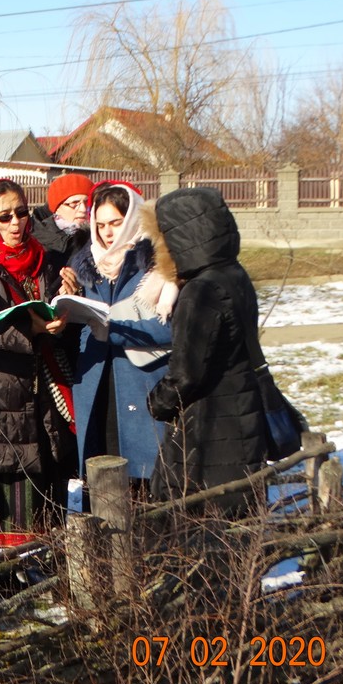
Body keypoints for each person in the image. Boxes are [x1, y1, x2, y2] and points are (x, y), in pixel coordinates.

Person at [0, 179, 78, 550]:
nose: (15, 223)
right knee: (4, 481)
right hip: (0, 392)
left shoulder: (42, 256)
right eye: (4, 216)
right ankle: (1, 577)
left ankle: (42, 564)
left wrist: (67, 301)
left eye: (22, 213)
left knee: (44, 477)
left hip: (43, 388)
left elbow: (55, 302)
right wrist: (31, 326)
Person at [146, 187, 268, 515]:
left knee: (202, 528)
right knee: (239, 521)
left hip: (210, 429)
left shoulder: (200, 292)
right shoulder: (233, 274)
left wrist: (156, 402)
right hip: (241, 412)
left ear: (182, 237)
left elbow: (186, 375)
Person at [68, 183, 177, 498]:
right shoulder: (87, 263)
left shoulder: (157, 262)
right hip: (96, 380)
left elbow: (171, 327)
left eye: (115, 223)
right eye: (100, 225)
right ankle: (103, 545)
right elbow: (87, 321)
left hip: (141, 381)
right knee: (101, 472)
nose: (106, 234)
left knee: (143, 480)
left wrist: (114, 327)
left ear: (132, 218)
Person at [30, 173, 93, 273]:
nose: (83, 209)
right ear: (57, 208)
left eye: (87, 202)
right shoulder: (37, 240)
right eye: (74, 204)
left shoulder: (98, 236)